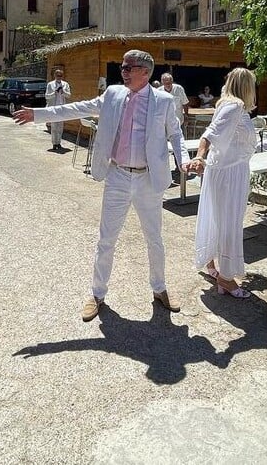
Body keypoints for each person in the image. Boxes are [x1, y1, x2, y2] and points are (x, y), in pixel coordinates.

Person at [13, 50, 190, 322]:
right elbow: (76, 107)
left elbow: (175, 133)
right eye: (122, 67)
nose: (124, 71)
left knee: (154, 238)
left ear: (146, 72)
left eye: (129, 67)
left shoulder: (164, 102)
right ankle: (97, 294)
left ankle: (160, 288)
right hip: (117, 175)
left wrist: (184, 160)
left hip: (148, 179)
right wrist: (38, 114)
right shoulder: (113, 95)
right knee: (107, 239)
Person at [187, 68, 258, 299]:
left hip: (227, 170)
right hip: (229, 174)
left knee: (218, 219)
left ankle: (213, 267)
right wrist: (199, 156)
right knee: (228, 222)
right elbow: (209, 134)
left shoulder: (232, 106)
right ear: (246, 86)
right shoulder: (235, 105)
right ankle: (226, 279)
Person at [45, 68, 71, 150]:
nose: (59, 77)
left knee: (60, 126)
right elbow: (47, 96)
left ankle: (58, 142)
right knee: (54, 126)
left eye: (60, 75)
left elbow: (69, 95)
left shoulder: (65, 84)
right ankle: (54, 143)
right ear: (54, 75)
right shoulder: (50, 84)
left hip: (61, 107)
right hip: (53, 107)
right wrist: (54, 93)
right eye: (57, 75)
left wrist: (63, 92)